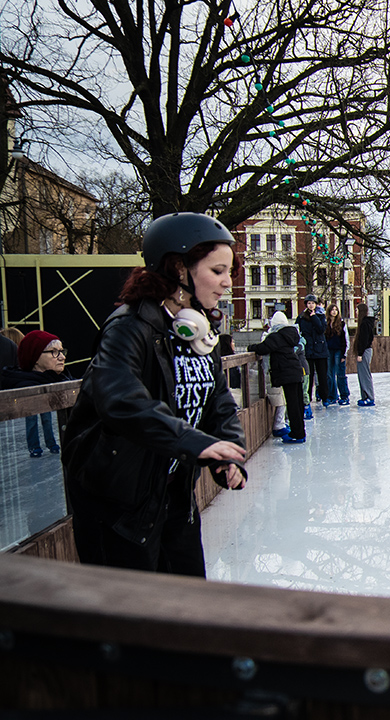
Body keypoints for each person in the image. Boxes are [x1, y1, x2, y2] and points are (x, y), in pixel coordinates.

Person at [62, 212, 246, 576]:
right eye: (218, 271)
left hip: (175, 493)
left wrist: (227, 453)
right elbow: (121, 399)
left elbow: (218, 402)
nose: (227, 282)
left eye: (229, 271)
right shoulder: (129, 327)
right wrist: (192, 441)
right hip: (120, 503)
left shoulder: (196, 330)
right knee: (130, 617)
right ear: (179, 268)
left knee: (185, 604)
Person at [1, 330, 72, 457]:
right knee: (33, 420)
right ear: (36, 357)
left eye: (61, 351)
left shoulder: (63, 380)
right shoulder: (22, 388)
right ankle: (35, 446)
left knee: (46, 418)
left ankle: (50, 443)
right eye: (54, 352)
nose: (62, 357)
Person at [250, 310, 307, 443]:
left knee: (292, 404)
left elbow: (262, 348)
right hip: (296, 371)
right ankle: (300, 432)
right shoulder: (291, 334)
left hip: (287, 373)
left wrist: (250, 347)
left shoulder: (276, 336)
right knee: (297, 404)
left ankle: (297, 434)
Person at [298, 294, 331, 406]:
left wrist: (314, 317)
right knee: (308, 375)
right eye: (309, 303)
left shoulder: (321, 316)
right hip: (308, 349)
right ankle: (307, 398)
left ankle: (324, 397)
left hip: (320, 349)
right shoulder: (302, 316)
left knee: (322, 375)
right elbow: (298, 329)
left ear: (316, 304)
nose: (311, 305)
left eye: (312, 303)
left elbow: (321, 329)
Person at [325, 303, 351, 405]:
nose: (334, 311)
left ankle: (344, 396)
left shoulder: (342, 324)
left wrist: (344, 354)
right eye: (332, 310)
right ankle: (332, 395)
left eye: (336, 310)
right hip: (328, 351)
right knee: (329, 374)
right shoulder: (325, 324)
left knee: (340, 374)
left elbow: (346, 340)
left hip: (338, 351)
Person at [354, 302, 376, 406]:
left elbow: (364, 340)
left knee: (365, 374)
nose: (355, 312)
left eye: (357, 310)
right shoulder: (365, 323)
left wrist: (360, 353)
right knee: (362, 374)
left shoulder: (364, 324)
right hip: (365, 351)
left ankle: (369, 397)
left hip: (364, 351)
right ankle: (365, 396)